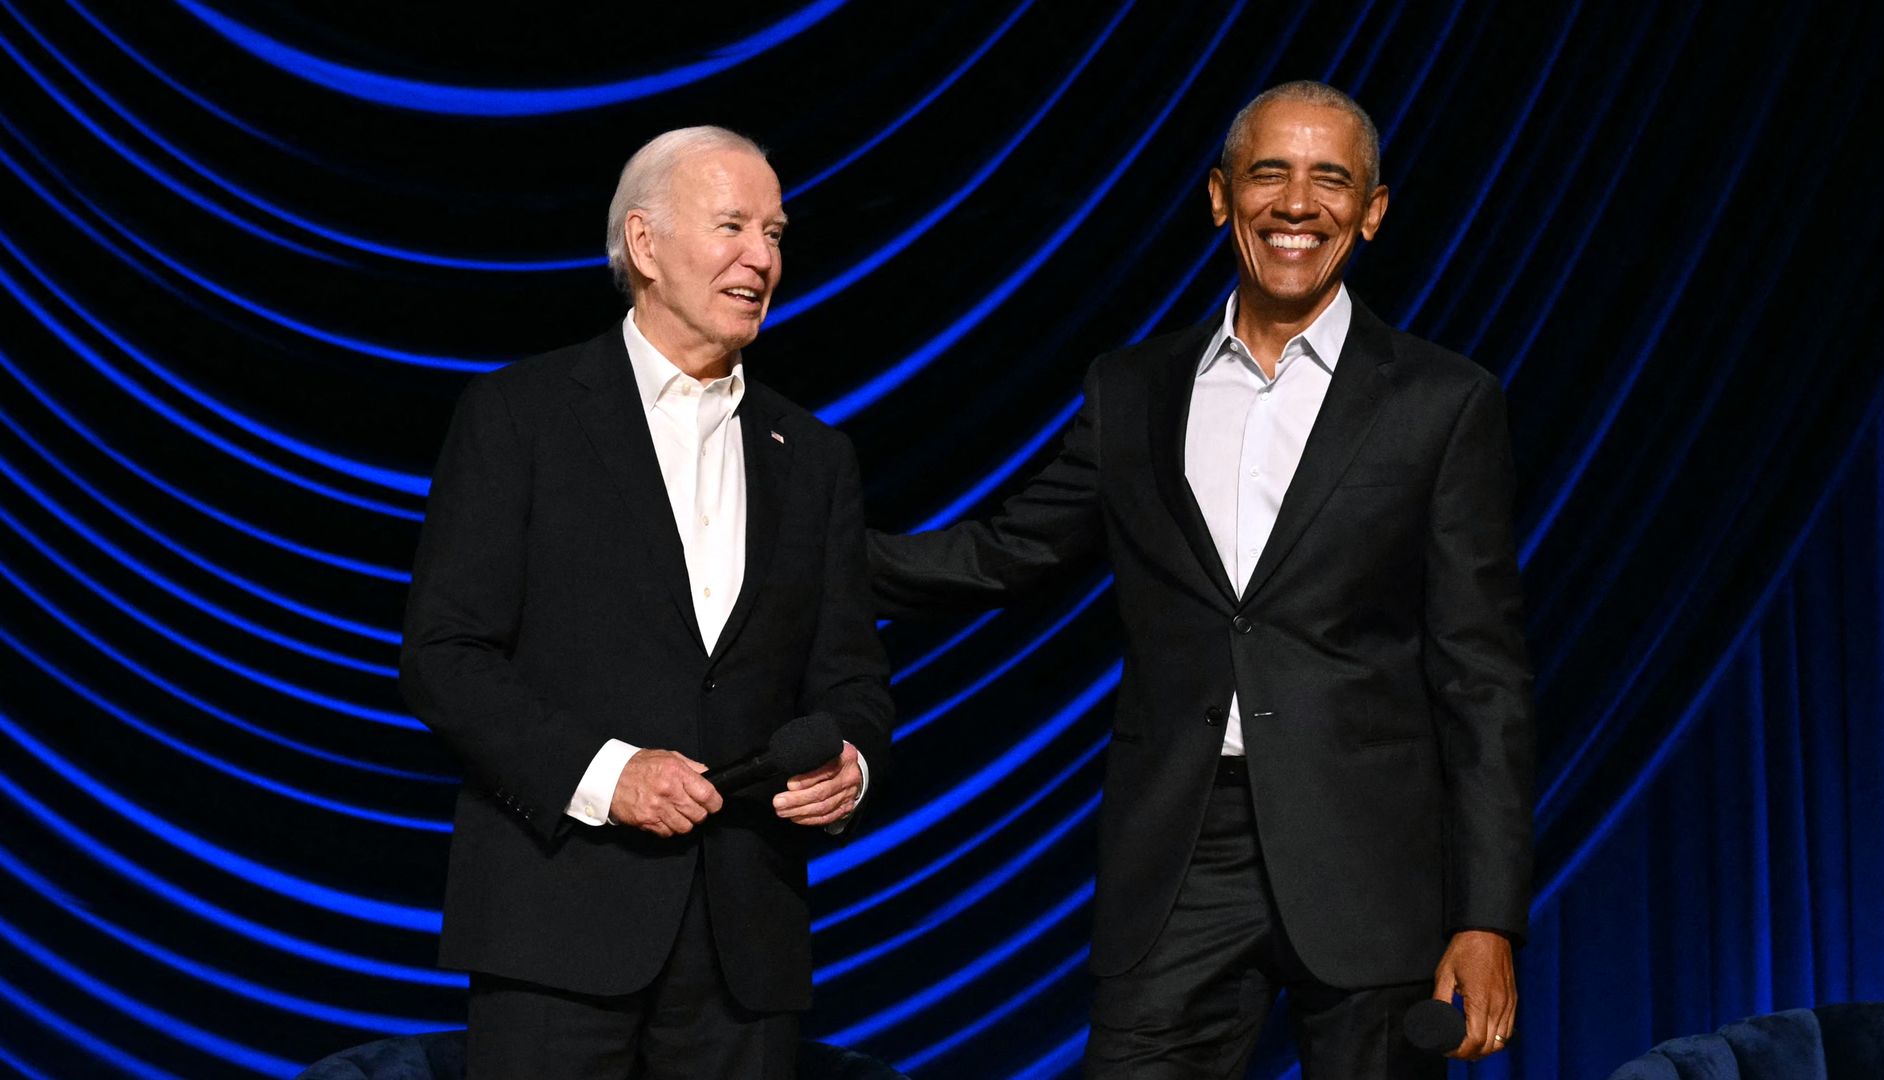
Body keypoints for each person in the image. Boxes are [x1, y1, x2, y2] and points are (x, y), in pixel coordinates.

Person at [866, 81, 1533, 1078]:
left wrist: (1487, 916)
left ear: (1373, 211)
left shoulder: (1443, 402)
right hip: (1182, 847)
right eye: (1269, 173)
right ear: (1221, 198)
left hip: (1371, 860)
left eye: (1330, 179)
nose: (1297, 204)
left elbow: (1483, 675)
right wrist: (793, 548)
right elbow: (1006, 554)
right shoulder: (1132, 390)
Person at [400, 126, 892, 1080]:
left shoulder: (814, 457)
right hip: (556, 928)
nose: (763, 258)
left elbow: (851, 677)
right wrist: (606, 774)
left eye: (776, 234)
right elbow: (445, 657)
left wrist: (853, 767)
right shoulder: (521, 415)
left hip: (745, 948)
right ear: (645, 244)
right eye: (733, 226)